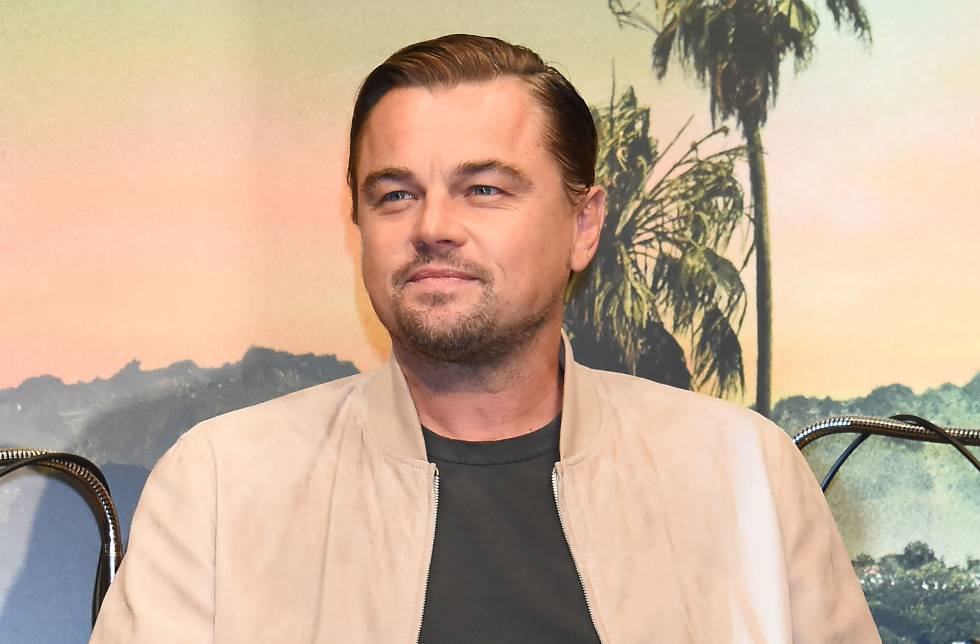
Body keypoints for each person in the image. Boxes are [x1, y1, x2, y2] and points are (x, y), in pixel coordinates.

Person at [91, 34, 879, 643]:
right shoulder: (219, 486)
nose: (434, 226)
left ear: (583, 225)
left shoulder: (746, 474)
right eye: (395, 194)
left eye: (484, 189)